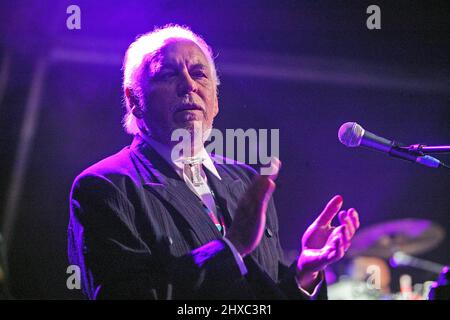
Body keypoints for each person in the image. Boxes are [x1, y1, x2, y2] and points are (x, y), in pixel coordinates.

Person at [68, 25, 360, 300]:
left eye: (199, 73)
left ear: (215, 100)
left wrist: (304, 273)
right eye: (168, 74)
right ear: (134, 100)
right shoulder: (106, 186)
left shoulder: (246, 180)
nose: (188, 85)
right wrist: (230, 249)